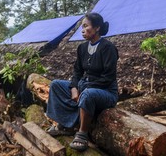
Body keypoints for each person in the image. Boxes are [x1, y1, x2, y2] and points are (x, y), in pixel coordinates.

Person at [46, 12, 119, 152]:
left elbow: (108, 78)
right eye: (82, 27)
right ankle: (64, 124)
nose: (83, 30)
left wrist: (84, 87)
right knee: (55, 85)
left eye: (86, 26)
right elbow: (77, 72)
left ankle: (82, 133)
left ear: (97, 28)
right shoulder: (82, 48)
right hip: (84, 86)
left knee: (87, 94)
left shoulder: (108, 48)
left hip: (106, 91)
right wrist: (74, 88)